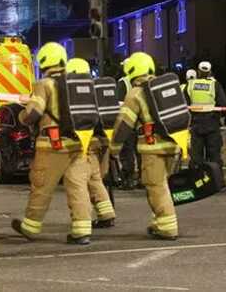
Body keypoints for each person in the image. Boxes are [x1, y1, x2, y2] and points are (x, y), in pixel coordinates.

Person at [11, 42, 93, 245]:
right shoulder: (81, 82)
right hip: (79, 142)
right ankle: (82, 231)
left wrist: (21, 117)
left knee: (41, 185)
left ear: (44, 62)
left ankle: (30, 226)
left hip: (53, 145)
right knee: (78, 186)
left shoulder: (44, 84)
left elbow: (34, 113)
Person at [111, 52, 179, 240]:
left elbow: (124, 125)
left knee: (155, 185)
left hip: (152, 147)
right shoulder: (165, 87)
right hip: (173, 146)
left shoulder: (136, 93)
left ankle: (167, 227)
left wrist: (113, 149)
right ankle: (158, 222)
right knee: (163, 186)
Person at [66, 58, 116, 228]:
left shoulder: (75, 92)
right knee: (94, 179)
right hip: (100, 142)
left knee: (77, 181)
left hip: (84, 143)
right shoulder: (96, 89)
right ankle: (106, 214)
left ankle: (82, 223)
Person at [184, 61, 226, 182]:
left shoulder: (190, 85)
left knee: (196, 156)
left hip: (196, 124)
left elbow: (184, 104)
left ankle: (196, 182)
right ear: (209, 72)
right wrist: (217, 116)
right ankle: (217, 181)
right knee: (214, 155)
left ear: (198, 71)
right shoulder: (215, 85)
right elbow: (224, 104)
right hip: (212, 124)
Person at [117, 59, 139, 190]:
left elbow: (120, 104)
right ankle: (142, 179)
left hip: (128, 122)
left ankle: (128, 179)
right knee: (140, 152)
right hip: (142, 122)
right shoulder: (142, 81)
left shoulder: (123, 82)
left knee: (127, 151)